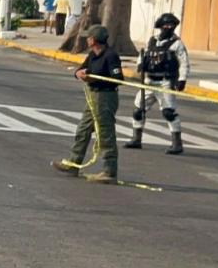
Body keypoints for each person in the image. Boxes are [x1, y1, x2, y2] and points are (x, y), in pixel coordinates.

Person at [53, 24, 125, 183]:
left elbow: (118, 79)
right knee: (83, 130)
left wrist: (94, 79)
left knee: (105, 134)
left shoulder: (110, 56)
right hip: (93, 97)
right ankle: (74, 164)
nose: (87, 40)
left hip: (105, 97)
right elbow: (81, 69)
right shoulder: (92, 55)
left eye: (89, 37)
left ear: (94, 40)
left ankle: (109, 172)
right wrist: (78, 73)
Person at [125, 12, 191, 155]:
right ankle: (136, 139)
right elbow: (143, 54)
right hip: (149, 81)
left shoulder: (177, 43)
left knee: (168, 112)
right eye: (166, 25)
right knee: (138, 110)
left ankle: (177, 143)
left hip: (165, 82)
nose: (168, 27)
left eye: (171, 25)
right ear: (160, 26)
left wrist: (182, 79)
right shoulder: (152, 40)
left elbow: (184, 63)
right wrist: (140, 64)